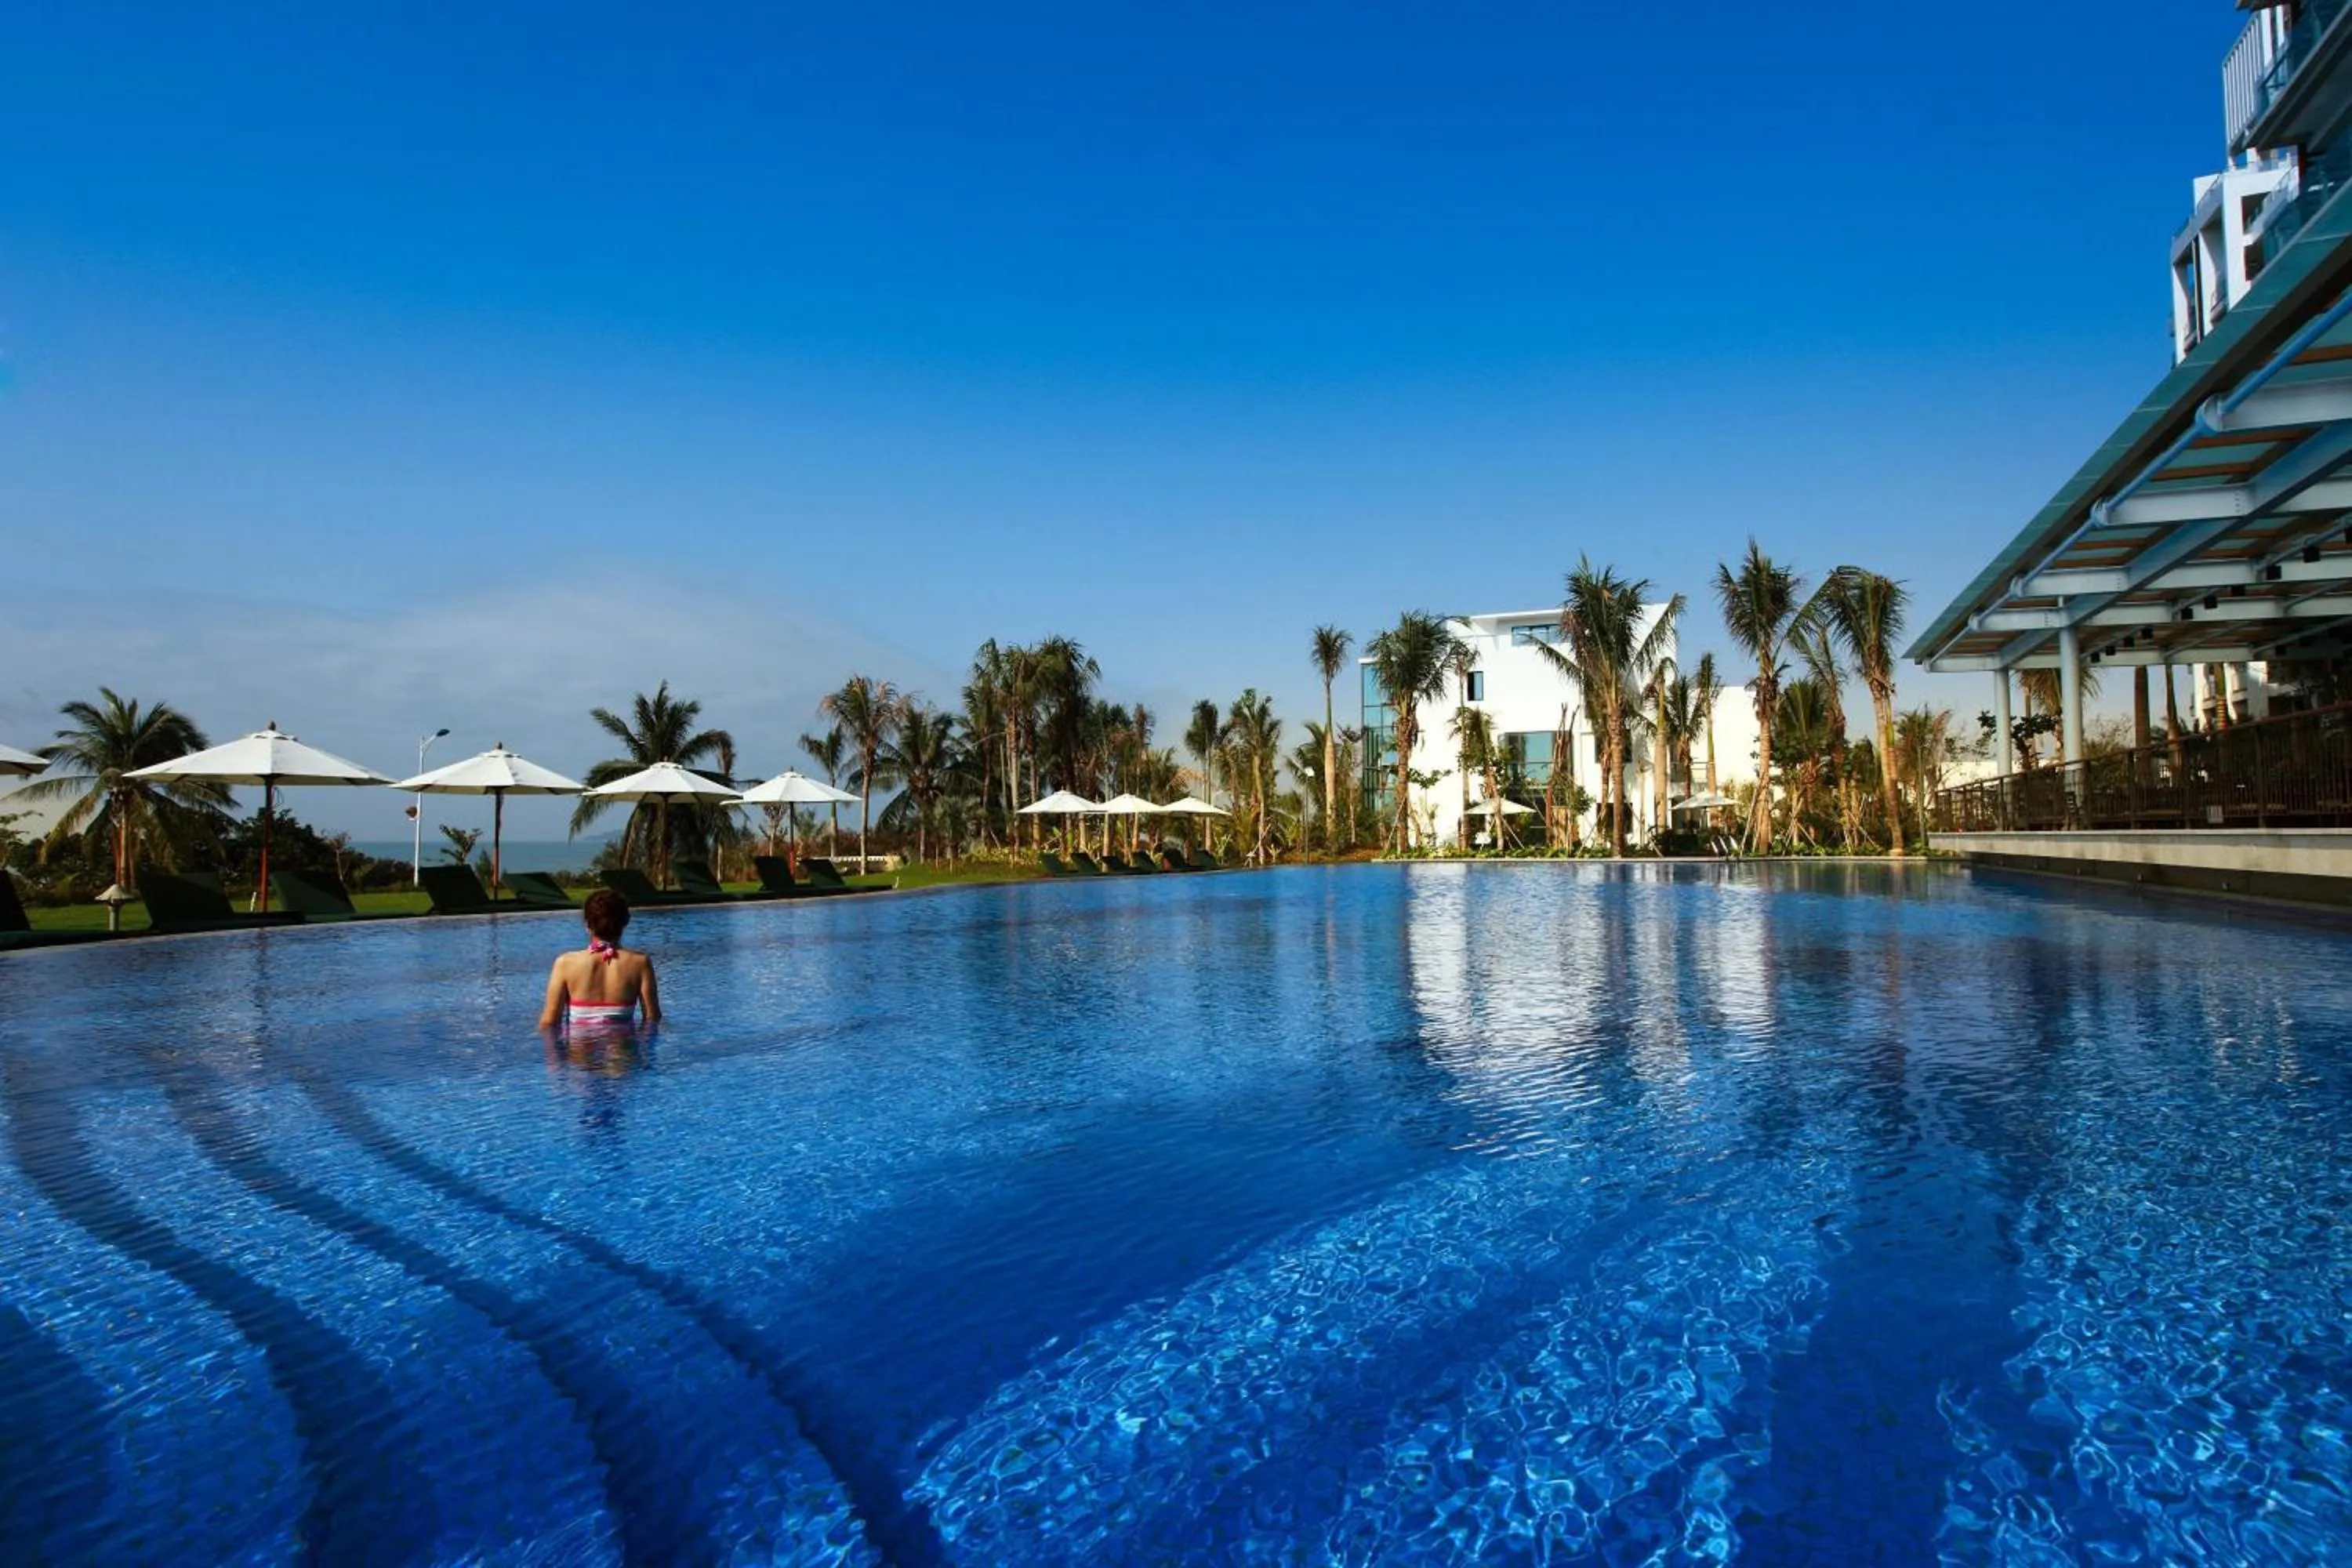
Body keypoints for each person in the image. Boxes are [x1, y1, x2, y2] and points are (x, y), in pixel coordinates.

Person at [538, 888, 661, 1030]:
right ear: (625, 922)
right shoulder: (640, 963)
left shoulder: (565, 963)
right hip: (622, 1047)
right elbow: (652, 1019)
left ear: (587, 925)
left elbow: (549, 1022)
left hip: (581, 1048)